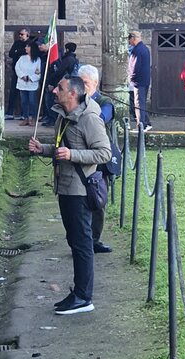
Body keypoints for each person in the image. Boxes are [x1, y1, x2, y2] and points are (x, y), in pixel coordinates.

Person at [28, 76, 111, 315]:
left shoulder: (89, 118)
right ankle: (78, 292)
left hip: (80, 190)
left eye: (60, 88)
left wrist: (73, 154)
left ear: (73, 93)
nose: (54, 90)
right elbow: (61, 149)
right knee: (74, 241)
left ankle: (84, 297)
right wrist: (43, 150)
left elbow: (103, 153)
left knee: (82, 243)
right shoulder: (63, 114)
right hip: (65, 186)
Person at [78, 64, 118, 254]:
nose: (83, 86)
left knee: (97, 200)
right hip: (78, 158)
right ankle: (80, 239)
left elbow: (101, 118)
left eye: (85, 83)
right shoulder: (74, 101)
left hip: (98, 159)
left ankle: (94, 239)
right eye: (80, 82)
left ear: (95, 83)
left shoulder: (104, 101)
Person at [42, 42, 79, 127]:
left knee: (51, 101)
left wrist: (51, 79)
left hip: (61, 83)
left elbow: (60, 72)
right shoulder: (74, 59)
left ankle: (52, 119)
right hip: (68, 83)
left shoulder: (68, 59)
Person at [127, 31, 152, 131]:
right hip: (144, 79)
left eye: (130, 40)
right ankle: (147, 122)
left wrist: (131, 77)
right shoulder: (145, 49)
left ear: (133, 38)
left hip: (139, 80)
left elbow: (134, 66)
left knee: (138, 103)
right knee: (142, 102)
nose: (129, 42)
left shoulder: (137, 50)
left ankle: (141, 125)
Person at [15, 40, 41, 127]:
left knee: (32, 101)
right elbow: (17, 68)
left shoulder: (37, 60)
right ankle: (25, 118)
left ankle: (33, 118)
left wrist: (30, 77)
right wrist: (23, 76)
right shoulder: (22, 58)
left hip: (31, 85)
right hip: (22, 83)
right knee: (24, 102)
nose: (26, 48)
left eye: (28, 46)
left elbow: (38, 72)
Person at [6, 28, 30, 120]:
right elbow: (11, 54)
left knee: (25, 93)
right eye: (19, 34)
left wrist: (19, 52)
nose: (20, 36)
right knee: (13, 92)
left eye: (22, 34)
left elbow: (31, 54)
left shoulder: (30, 44)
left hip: (27, 73)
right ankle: (10, 112)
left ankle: (25, 114)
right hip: (17, 72)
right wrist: (21, 51)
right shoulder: (17, 43)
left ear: (27, 35)